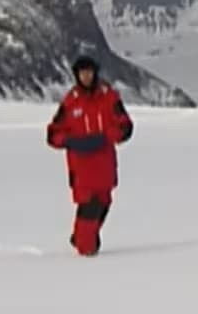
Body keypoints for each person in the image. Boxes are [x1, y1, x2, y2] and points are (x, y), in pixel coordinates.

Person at [46, 55, 134, 256]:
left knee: (103, 204)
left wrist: (104, 138)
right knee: (88, 208)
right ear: (77, 75)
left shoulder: (109, 97)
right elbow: (52, 134)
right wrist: (71, 142)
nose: (86, 76)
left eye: (89, 72)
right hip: (81, 169)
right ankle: (85, 252)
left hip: (104, 167)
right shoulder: (70, 102)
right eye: (82, 73)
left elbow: (125, 127)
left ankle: (81, 240)